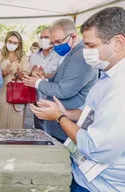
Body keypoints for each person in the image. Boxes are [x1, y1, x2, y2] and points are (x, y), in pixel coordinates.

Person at [31, 6, 125, 192]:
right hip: (87, 175)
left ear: (118, 43)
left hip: (101, 184)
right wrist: (67, 113)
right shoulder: (108, 75)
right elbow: (94, 112)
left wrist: (59, 117)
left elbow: (95, 148)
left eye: (91, 46)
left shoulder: (120, 86)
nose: (86, 51)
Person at [23, 19, 98, 143]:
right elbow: (63, 79)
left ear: (73, 36)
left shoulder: (80, 56)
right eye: (53, 43)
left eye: (58, 41)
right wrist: (45, 78)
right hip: (61, 122)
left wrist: (37, 83)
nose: (55, 46)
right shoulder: (71, 53)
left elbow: (64, 90)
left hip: (68, 124)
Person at [0, 31, 30, 129]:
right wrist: (4, 73)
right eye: (10, 41)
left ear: (19, 44)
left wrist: (19, 75)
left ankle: (16, 143)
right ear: (6, 41)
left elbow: (26, 75)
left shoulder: (23, 57)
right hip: (3, 91)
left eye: (15, 43)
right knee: (2, 117)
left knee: (16, 120)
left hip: (18, 92)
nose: (12, 44)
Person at [29, 27, 62, 131]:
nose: (43, 40)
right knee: (39, 127)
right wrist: (33, 73)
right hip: (38, 96)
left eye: (46, 37)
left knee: (54, 127)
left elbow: (61, 76)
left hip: (54, 98)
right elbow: (30, 75)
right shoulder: (34, 56)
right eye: (41, 37)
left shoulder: (59, 54)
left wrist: (46, 75)